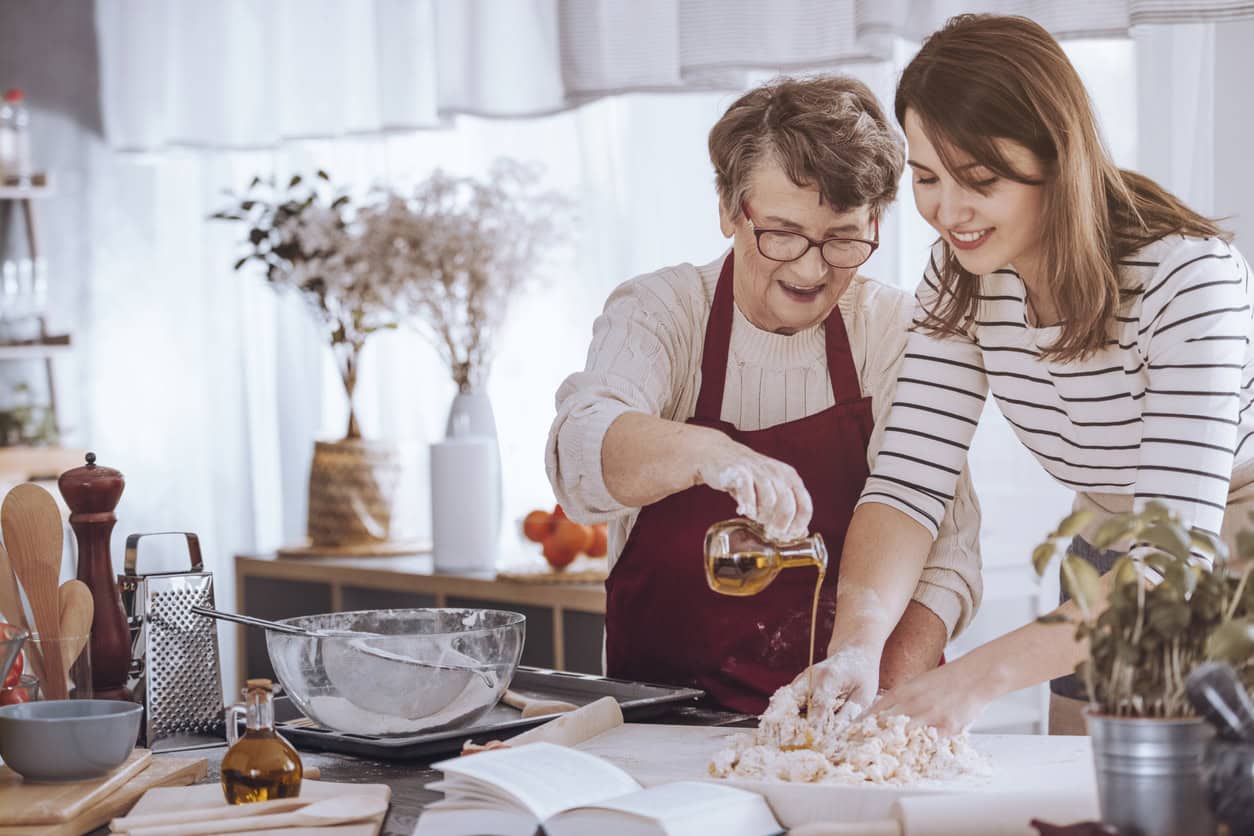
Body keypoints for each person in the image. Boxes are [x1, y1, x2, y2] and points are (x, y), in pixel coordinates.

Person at [805, 14, 1254, 735]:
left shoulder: (1188, 278)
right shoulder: (963, 279)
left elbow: (1177, 558)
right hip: (1109, 550)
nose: (948, 212)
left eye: (979, 179)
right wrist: (858, 643)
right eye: (925, 178)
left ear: (1058, 156)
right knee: (1078, 796)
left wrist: (972, 678)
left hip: (1227, 554)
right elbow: (909, 483)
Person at [545, 75, 982, 714]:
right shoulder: (663, 311)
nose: (810, 269)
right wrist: (706, 452)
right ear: (729, 208)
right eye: (781, 233)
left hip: (854, 728)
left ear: (875, 221)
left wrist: (873, 702)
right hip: (667, 731)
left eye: (842, 238)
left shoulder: (896, 330)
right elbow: (579, 456)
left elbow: (946, 554)